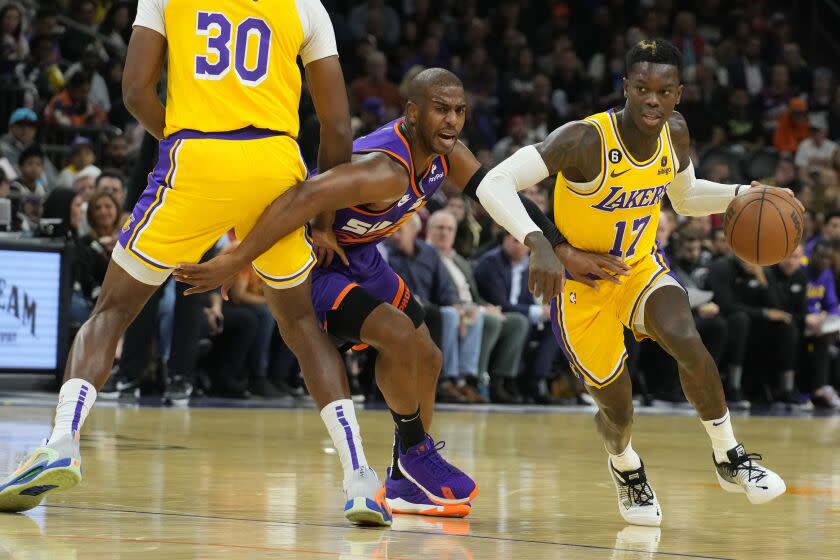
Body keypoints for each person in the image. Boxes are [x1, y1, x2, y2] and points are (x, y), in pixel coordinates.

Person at [175, 69, 623, 518]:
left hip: (361, 255)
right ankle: (414, 450)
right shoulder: (385, 169)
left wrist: (554, 247)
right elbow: (302, 196)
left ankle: (403, 481)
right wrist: (236, 259)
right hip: (312, 258)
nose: (452, 121)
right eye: (441, 110)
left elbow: (496, 192)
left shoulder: (447, 157)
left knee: (428, 354)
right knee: (396, 334)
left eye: (460, 111)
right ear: (412, 113)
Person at [0, 0, 362, 527]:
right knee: (303, 325)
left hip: (195, 156)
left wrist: (181, 140)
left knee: (110, 312)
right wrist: (323, 218)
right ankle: (359, 479)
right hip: (276, 165)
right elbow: (336, 129)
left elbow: (133, 91)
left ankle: (61, 441)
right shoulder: (308, 6)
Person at [473, 39, 793, 526]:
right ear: (625, 87)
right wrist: (542, 244)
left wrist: (743, 194)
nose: (652, 100)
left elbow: (684, 199)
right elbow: (494, 182)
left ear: (679, 95)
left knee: (688, 338)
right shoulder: (584, 140)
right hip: (581, 287)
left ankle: (729, 456)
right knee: (617, 410)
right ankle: (625, 465)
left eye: (664, 91)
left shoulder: (676, 133)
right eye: (641, 88)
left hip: (639, 267)